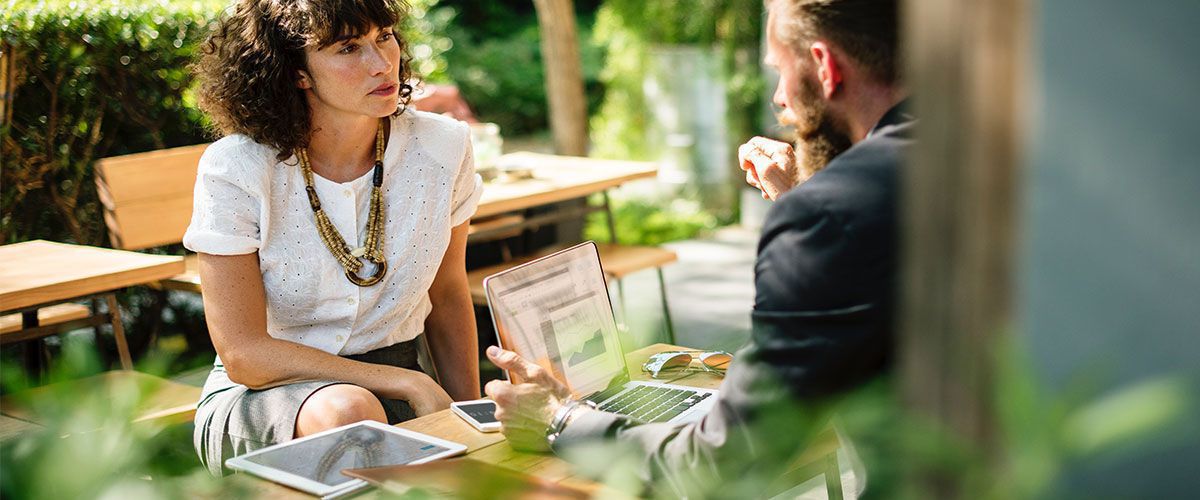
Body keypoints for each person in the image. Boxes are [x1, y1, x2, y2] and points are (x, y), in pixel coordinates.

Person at [483, 0, 911, 495]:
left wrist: (563, 420)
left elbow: (723, 461)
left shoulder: (828, 217)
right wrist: (805, 198)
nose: (779, 98)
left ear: (824, 66)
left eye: (779, 72)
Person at [185, 0, 482, 475]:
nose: (382, 63)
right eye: (348, 48)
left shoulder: (444, 147)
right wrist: (404, 383)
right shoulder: (236, 167)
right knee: (351, 413)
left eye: (384, 36)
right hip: (267, 396)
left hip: (403, 384)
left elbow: (447, 295)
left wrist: (472, 420)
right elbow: (243, 354)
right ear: (298, 72)